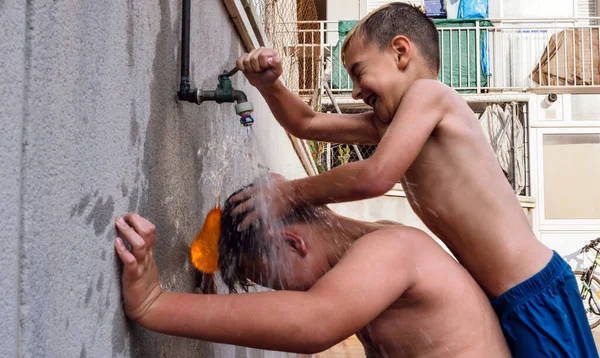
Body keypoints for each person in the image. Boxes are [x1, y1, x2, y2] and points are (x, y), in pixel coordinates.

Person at [230, 3, 597, 356]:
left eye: (358, 73)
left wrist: (289, 194)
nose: (356, 92)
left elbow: (375, 176)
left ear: (400, 52)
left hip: (534, 290)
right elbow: (307, 123)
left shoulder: (430, 96)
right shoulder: (392, 122)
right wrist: (270, 87)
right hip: (505, 296)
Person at [114, 185, 510, 357]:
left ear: (294, 243)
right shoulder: (363, 249)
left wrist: (155, 303)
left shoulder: (392, 249)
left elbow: (314, 323)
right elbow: (280, 191)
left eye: (279, 284)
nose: (288, 295)